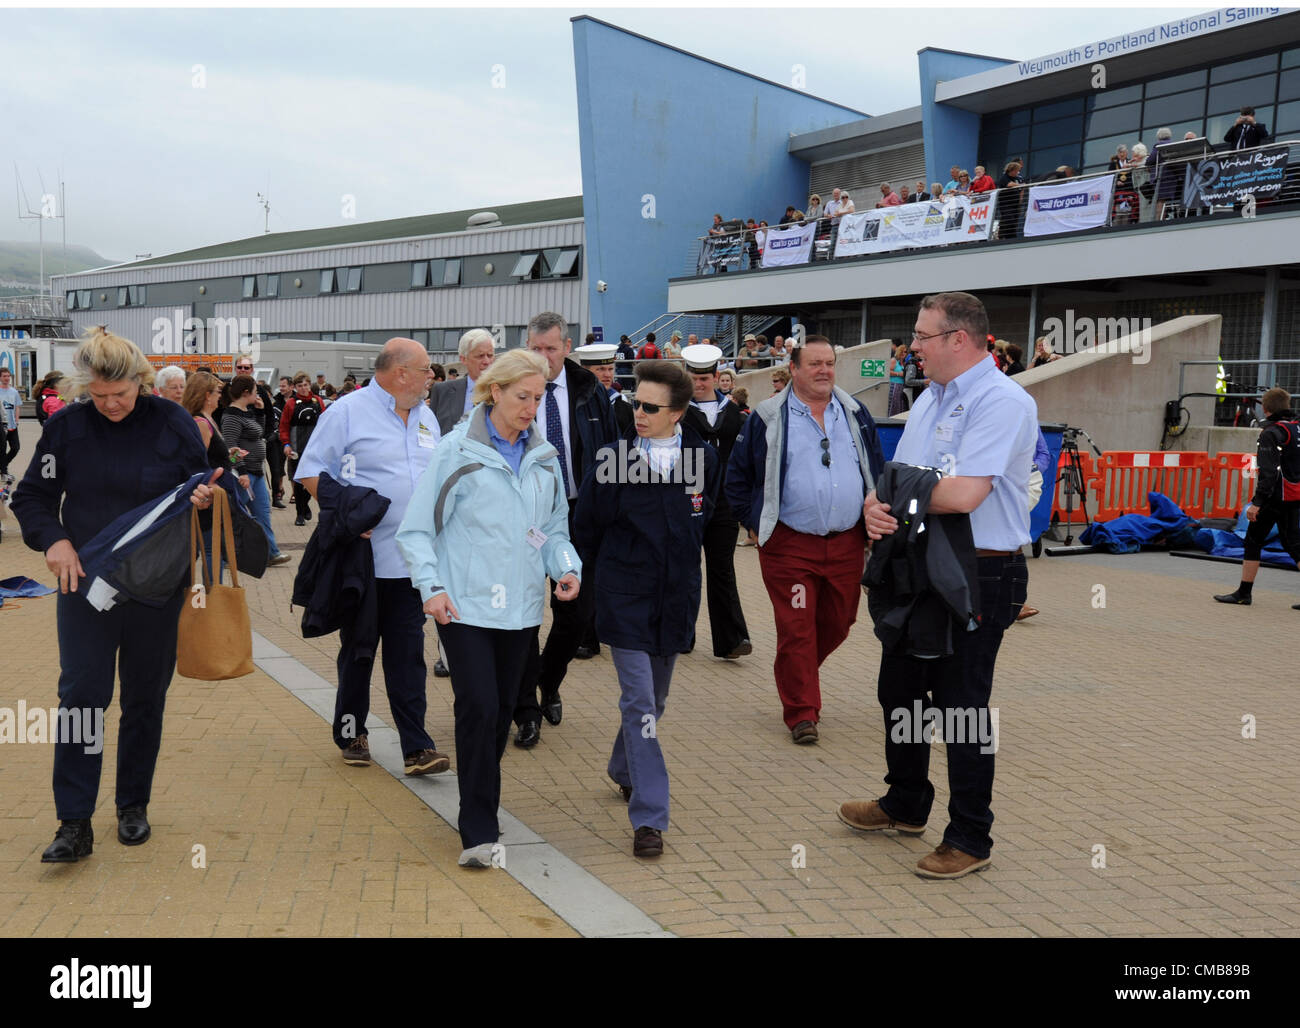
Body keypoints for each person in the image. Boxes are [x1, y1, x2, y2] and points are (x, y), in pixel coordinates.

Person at [841, 291, 1036, 880]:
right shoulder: (930, 399)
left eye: (922, 337)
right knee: (898, 690)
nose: (913, 348)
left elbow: (964, 493)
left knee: (960, 710)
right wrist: (876, 507)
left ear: (958, 338)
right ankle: (905, 802)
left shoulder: (1002, 401)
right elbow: (900, 477)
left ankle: (971, 836)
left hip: (979, 572)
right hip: (919, 563)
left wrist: (893, 498)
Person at [11, 327, 216, 862]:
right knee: (81, 697)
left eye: (119, 395)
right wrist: (53, 540)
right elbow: (32, 495)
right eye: (97, 396)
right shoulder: (67, 426)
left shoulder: (173, 422)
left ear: (141, 382)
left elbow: (203, 487)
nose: (109, 405)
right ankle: (73, 822)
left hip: (156, 587)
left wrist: (204, 497)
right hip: (84, 584)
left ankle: (132, 804)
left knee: (145, 697)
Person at [397, 349, 580, 868]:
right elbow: (416, 529)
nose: (531, 407)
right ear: (494, 391)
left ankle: (480, 792)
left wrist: (566, 568)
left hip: (521, 612)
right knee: (478, 707)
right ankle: (479, 827)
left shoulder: (544, 459)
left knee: (500, 712)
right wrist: (430, 588)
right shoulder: (457, 453)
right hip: (465, 607)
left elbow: (553, 530)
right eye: (522, 396)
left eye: (538, 398)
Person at [576, 360, 719, 859]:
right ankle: (650, 817)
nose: (638, 412)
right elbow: (587, 524)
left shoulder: (702, 457)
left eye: (650, 407)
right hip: (624, 598)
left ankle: (622, 768)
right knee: (639, 703)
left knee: (652, 705)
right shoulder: (614, 457)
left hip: (675, 599)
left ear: (678, 412)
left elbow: (704, 521)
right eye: (636, 402)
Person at [295, 337, 450, 776]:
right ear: (400, 372)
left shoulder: (426, 417)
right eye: (425, 371)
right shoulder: (347, 411)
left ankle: (416, 748)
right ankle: (351, 733)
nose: (431, 379)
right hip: (362, 562)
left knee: (408, 656)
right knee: (360, 652)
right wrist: (345, 512)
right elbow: (309, 470)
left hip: (410, 563)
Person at [726, 336, 884, 744]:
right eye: (814, 363)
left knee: (840, 621)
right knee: (797, 627)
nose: (824, 371)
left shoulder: (855, 412)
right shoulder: (767, 417)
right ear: (793, 368)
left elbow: (877, 469)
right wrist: (755, 523)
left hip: (847, 542)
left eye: (829, 363)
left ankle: (796, 675)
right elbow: (736, 478)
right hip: (790, 546)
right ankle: (801, 712)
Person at [513, 311, 618, 747]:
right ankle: (524, 708)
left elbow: (612, 454)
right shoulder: (511, 392)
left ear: (566, 347)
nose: (542, 357)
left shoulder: (591, 392)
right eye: (534, 349)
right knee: (521, 615)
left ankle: (547, 682)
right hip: (525, 520)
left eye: (550, 349)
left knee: (576, 617)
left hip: (581, 517)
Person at [681, 344, 752, 661]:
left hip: (723, 502)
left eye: (705, 377)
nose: (700, 382)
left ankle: (732, 640)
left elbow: (747, 459)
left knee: (722, 569)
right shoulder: (676, 413)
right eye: (694, 377)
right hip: (686, 499)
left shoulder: (735, 414)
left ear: (715, 376)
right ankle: (681, 634)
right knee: (685, 567)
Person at [1214, 387, 1300, 607]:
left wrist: (1257, 503)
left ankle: (1244, 593)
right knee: (1293, 544)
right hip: (1295, 496)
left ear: (1265, 408)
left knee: (1253, 539)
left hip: (1275, 497)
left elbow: (1269, 472)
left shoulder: (1270, 433)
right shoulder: (1297, 429)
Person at [222, 375, 291, 566]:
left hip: (256, 472)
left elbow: (257, 434)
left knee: (262, 513)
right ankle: (228, 553)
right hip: (244, 473)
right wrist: (241, 471)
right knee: (237, 515)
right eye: (255, 391)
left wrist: (260, 412)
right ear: (246, 393)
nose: (257, 394)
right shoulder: (231, 415)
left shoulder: (247, 411)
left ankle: (270, 552)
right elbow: (230, 447)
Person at [430, 328, 496, 436]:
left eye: (490, 355)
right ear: (463, 359)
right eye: (480, 356)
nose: (487, 361)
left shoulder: (504, 392)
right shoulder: (442, 391)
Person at [279, 372, 324, 526]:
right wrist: (286, 444)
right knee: (298, 481)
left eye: (305, 385)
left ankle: (305, 505)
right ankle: (299, 513)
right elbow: (284, 426)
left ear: (310, 384)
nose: (303, 388)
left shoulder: (317, 401)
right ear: (295, 387)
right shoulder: (291, 404)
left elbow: (325, 424)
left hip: (315, 448)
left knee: (313, 479)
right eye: (300, 386)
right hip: (297, 447)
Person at [0, 366, 20, 479]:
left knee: (15, 448)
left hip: (12, 425)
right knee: (2, 449)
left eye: (8, 376)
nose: (7, 378)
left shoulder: (14, 391)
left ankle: (2, 465)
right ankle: (4, 472)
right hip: (2, 425)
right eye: (4, 376)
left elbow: (17, 406)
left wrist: (17, 420)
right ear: (0, 377)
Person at [887, 342, 909, 415]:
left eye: (905, 352)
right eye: (901, 351)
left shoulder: (905, 362)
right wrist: (899, 374)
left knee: (901, 406)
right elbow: (887, 372)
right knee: (894, 405)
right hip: (894, 386)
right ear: (898, 352)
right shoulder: (894, 360)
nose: (903, 353)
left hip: (903, 386)